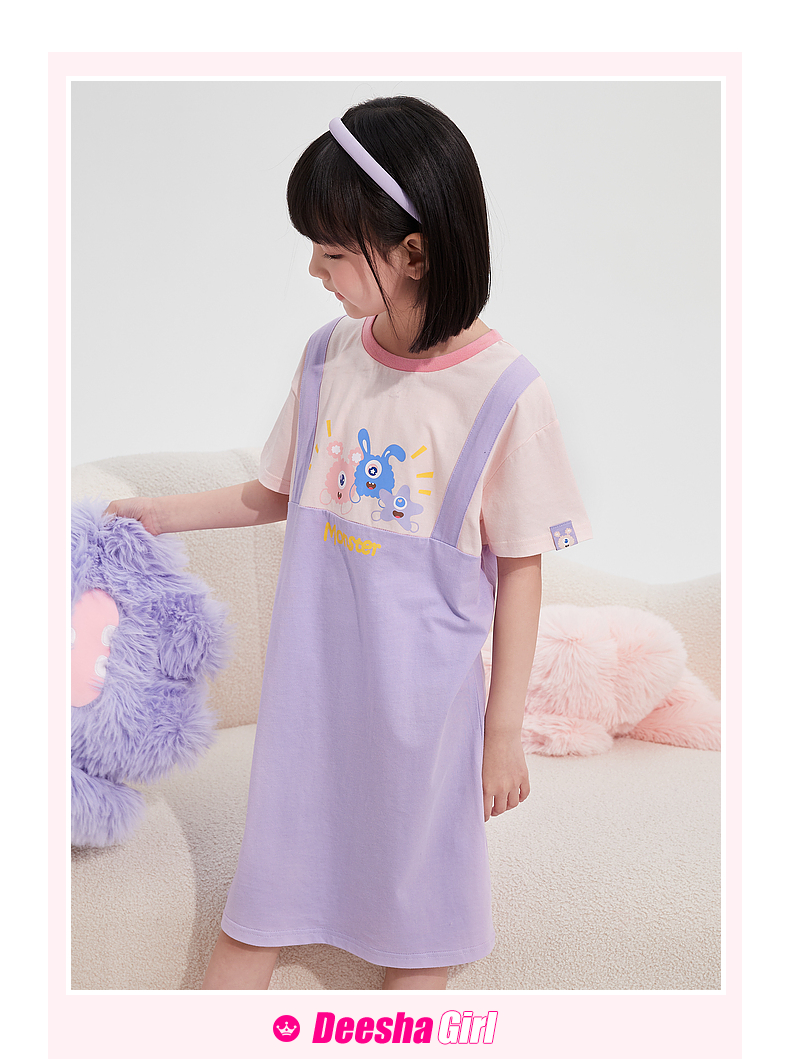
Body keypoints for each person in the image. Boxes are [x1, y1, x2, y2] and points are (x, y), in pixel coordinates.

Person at [105, 96, 592, 991]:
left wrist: (502, 731)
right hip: (313, 694)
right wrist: (163, 514)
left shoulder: (504, 393)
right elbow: (275, 491)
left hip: (425, 714)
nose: (313, 268)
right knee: (256, 911)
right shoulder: (329, 356)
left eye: (332, 251)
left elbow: (521, 567)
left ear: (414, 252)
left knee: (420, 936)